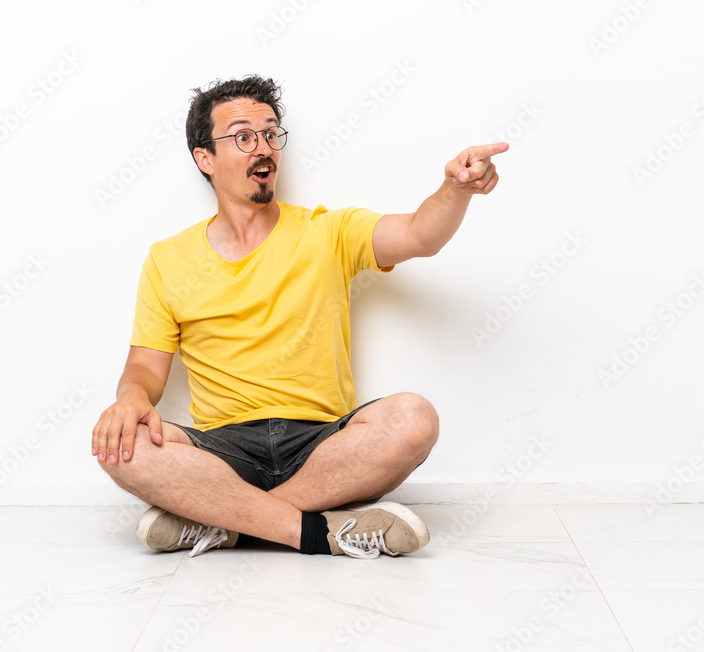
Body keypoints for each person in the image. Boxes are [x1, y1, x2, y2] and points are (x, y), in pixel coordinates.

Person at [91, 75, 507, 559]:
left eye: (270, 134)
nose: (263, 148)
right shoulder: (168, 259)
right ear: (205, 158)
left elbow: (420, 234)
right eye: (243, 137)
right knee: (122, 445)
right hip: (221, 450)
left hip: (320, 446)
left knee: (414, 418)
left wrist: (455, 189)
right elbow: (144, 368)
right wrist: (130, 400)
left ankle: (223, 521)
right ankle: (317, 531)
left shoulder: (327, 231)